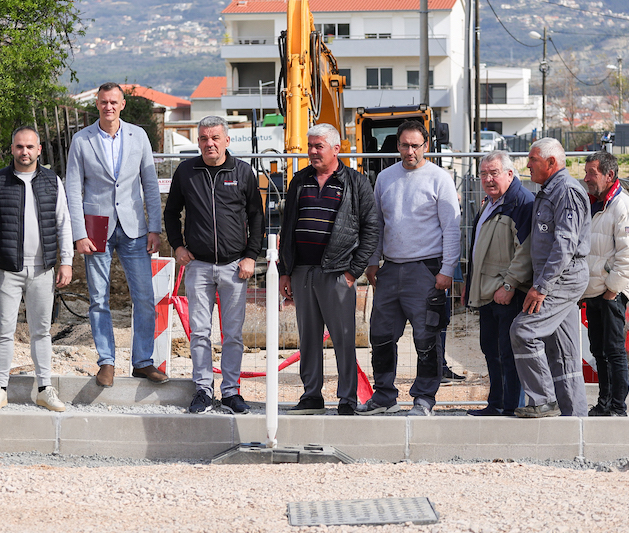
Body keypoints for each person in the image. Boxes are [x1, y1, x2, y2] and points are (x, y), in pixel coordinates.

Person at [65, 83, 166, 387]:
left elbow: (150, 183)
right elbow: (72, 188)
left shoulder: (139, 136)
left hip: (134, 227)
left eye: (114, 102)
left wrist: (154, 228)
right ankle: (106, 362)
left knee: (145, 298)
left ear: (123, 104)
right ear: (96, 105)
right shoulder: (82, 140)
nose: (108, 107)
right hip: (96, 227)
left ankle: (143, 361)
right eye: (103, 102)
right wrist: (78, 232)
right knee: (98, 298)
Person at [164, 116, 265, 414]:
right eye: (204, 139)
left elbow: (257, 217)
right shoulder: (186, 172)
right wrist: (178, 246)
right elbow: (172, 213)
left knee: (232, 334)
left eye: (215, 138)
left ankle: (231, 391)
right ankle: (203, 390)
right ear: (198, 141)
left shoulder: (243, 172)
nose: (210, 143)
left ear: (227, 140)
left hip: (235, 266)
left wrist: (250, 255)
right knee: (199, 332)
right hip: (198, 266)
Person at [359, 121, 461, 417]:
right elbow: (377, 224)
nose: (410, 151)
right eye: (404, 145)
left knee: (426, 337)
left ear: (426, 146)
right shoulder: (385, 179)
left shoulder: (439, 178)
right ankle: (384, 396)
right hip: (390, 270)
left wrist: (447, 269)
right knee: (381, 336)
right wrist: (373, 261)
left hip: (426, 271)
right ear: (398, 146)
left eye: (416, 145)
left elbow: (451, 228)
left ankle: (424, 398)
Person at [278, 123, 379, 415]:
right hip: (303, 273)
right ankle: (312, 396)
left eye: (317, 146)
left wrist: (353, 271)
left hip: (338, 273)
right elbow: (288, 226)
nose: (311, 152)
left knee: (344, 338)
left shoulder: (356, 182)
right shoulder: (299, 181)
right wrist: (286, 270)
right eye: (310, 146)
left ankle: (347, 399)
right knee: (308, 338)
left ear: (336, 149)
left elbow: (370, 228)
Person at [0, 126, 74, 412]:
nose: (25, 151)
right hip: (7, 268)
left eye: (30, 147)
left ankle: (44, 388)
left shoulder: (52, 182)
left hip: (43, 269)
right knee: (4, 331)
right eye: (19, 146)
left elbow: (63, 223)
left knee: (41, 332)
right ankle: (0, 389)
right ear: (12, 149)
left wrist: (66, 261)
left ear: (39, 149)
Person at [511, 137, 590, 418]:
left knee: (523, 331)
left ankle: (542, 399)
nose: (528, 165)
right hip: (554, 278)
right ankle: (576, 418)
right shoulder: (548, 191)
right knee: (563, 351)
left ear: (551, 162)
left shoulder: (567, 191)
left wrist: (541, 287)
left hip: (561, 279)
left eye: (533, 160)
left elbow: (564, 246)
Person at [464, 151, 533, 416]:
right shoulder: (489, 203)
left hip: (507, 294)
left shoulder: (520, 203)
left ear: (510, 174)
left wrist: (509, 285)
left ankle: (511, 407)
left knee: (508, 353)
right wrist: (470, 286)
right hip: (487, 291)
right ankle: (496, 404)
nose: (489, 179)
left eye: (494, 173)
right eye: (484, 174)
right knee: (491, 349)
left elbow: (525, 250)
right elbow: (478, 249)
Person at [582, 151, 629, 417]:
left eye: (592, 174)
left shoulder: (624, 207)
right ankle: (604, 404)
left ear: (610, 175)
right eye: (586, 173)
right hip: (597, 291)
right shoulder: (596, 204)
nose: (586, 179)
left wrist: (611, 290)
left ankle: (618, 407)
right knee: (599, 350)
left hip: (611, 293)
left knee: (614, 351)